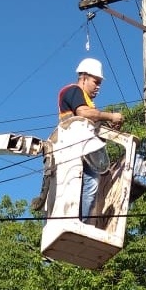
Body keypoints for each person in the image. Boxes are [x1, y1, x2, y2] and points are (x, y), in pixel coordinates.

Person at [58, 57, 124, 222]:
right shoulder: (73, 91)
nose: (98, 87)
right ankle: (82, 223)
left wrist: (107, 124)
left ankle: (82, 220)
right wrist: (111, 116)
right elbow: (83, 113)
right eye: (96, 82)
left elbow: (90, 119)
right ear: (84, 78)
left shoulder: (87, 102)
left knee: (90, 185)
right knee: (90, 184)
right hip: (74, 148)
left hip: (81, 149)